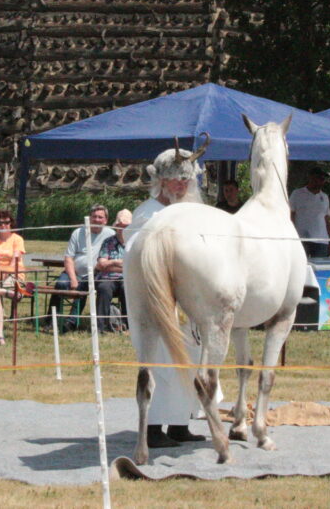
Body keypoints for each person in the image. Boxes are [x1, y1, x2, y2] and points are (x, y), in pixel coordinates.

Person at [127, 146, 209, 448]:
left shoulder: (190, 212)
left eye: (185, 180)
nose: (181, 185)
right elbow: (136, 255)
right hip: (157, 303)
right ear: (161, 181)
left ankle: (179, 424)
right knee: (161, 365)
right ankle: (152, 429)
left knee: (188, 363)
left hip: (188, 301)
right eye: (175, 180)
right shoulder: (147, 214)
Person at [53, 204, 115, 331]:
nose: (97, 220)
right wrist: (73, 278)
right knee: (60, 285)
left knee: (86, 285)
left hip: (96, 275)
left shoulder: (111, 234)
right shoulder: (78, 232)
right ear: (89, 218)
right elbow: (68, 258)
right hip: (73, 272)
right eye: (94, 217)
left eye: (100, 217)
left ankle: (71, 322)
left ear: (106, 220)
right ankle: (52, 319)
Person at [94, 209, 131, 332]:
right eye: (120, 226)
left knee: (127, 288)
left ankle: (127, 325)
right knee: (104, 288)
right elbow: (100, 265)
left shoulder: (135, 243)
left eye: (126, 227)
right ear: (116, 227)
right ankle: (100, 327)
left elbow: (134, 266)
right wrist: (117, 262)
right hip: (107, 277)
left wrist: (110, 264)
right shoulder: (108, 242)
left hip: (128, 278)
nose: (123, 229)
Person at [289, 167, 330, 258]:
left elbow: (326, 219)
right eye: (318, 178)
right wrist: (293, 234)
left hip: (321, 240)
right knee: (301, 265)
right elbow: (291, 214)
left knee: (320, 267)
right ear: (311, 178)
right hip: (301, 238)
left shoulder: (324, 197)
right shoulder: (297, 194)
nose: (320, 181)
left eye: (322, 179)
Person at [0, 209, 25, 282]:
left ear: (11, 223)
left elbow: (14, 262)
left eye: (6, 223)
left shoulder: (18, 239)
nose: (3, 225)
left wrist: (3, 277)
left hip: (14, 275)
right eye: (0, 223)